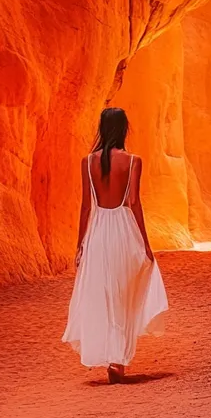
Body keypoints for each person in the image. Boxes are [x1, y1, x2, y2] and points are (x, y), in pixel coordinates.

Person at [62, 107, 167, 383]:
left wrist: (80, 244)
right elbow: (133, 202)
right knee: (124, 293)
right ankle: (118, 360)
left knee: (103, 294)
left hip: (98, 232)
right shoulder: (133, 161)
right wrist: (145, 242)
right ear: (123, 129)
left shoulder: (87, 162)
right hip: (123, 230)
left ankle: (111, 355)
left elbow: (86, 206)